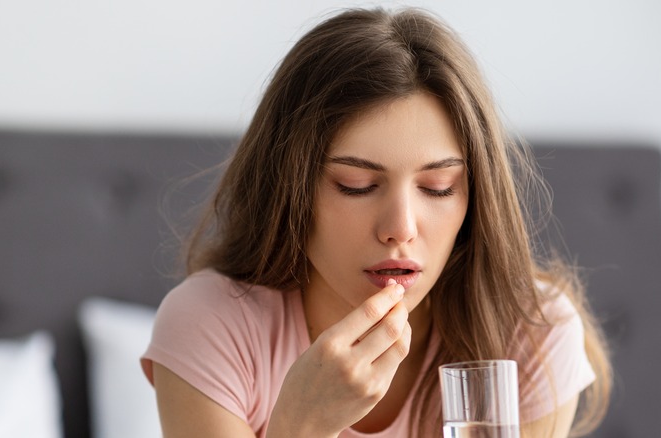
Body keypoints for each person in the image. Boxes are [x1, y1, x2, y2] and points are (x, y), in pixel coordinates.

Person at [141, 7, 612, 438]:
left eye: (438, 188)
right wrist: (299, 426)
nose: (400, 228)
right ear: (290, 190)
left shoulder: (532, 334)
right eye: (357, 185)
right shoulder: (211, 325)